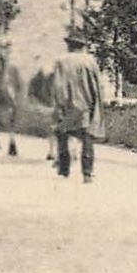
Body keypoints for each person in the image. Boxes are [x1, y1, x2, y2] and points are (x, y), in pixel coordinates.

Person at [50, 32, 105, 183]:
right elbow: (98, 86)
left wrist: (59, 105)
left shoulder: (61, 61)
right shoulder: (90, 61)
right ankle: (87, 173)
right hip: (86, 106)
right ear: (83, 46)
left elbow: (58, 86)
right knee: (87, 139)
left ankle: (64, 169)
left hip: (67, 106)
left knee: (62, 134)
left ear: (69, 45)